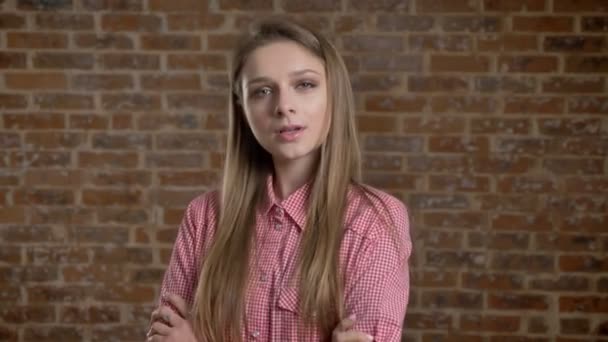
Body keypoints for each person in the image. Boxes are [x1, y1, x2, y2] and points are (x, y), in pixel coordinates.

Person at [147, 18, 412, 342]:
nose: (284, 106)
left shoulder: (374, 219)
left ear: (334, 94)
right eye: (262, 91)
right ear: (242, 109)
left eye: (304, 85)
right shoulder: (203, 216)